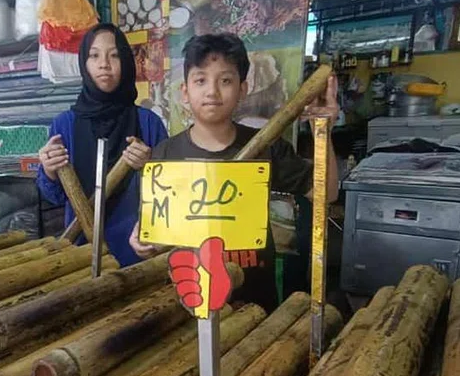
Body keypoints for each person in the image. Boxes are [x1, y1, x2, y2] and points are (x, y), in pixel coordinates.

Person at [129, 33, 339, 311]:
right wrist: (143, 240)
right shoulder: (165, 155)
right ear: (185, 91)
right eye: (200, 80)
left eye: (225, 80)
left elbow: (328, 193)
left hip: (253, 298)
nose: (212, 91)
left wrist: (322, 131)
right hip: (188, 300)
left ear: (243, 89)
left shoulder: (268, 146)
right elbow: (154, 228)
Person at [38, 23, 168, 266]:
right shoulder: (64, 125)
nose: (104, 64)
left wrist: (149, 166)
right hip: (80, 255)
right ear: (84, 64)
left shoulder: (148, 123)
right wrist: (49, 170)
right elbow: (53, 197)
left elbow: (170, 193)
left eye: (114, 55)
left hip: (138, 255)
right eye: (94, 55)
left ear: (127, 63)